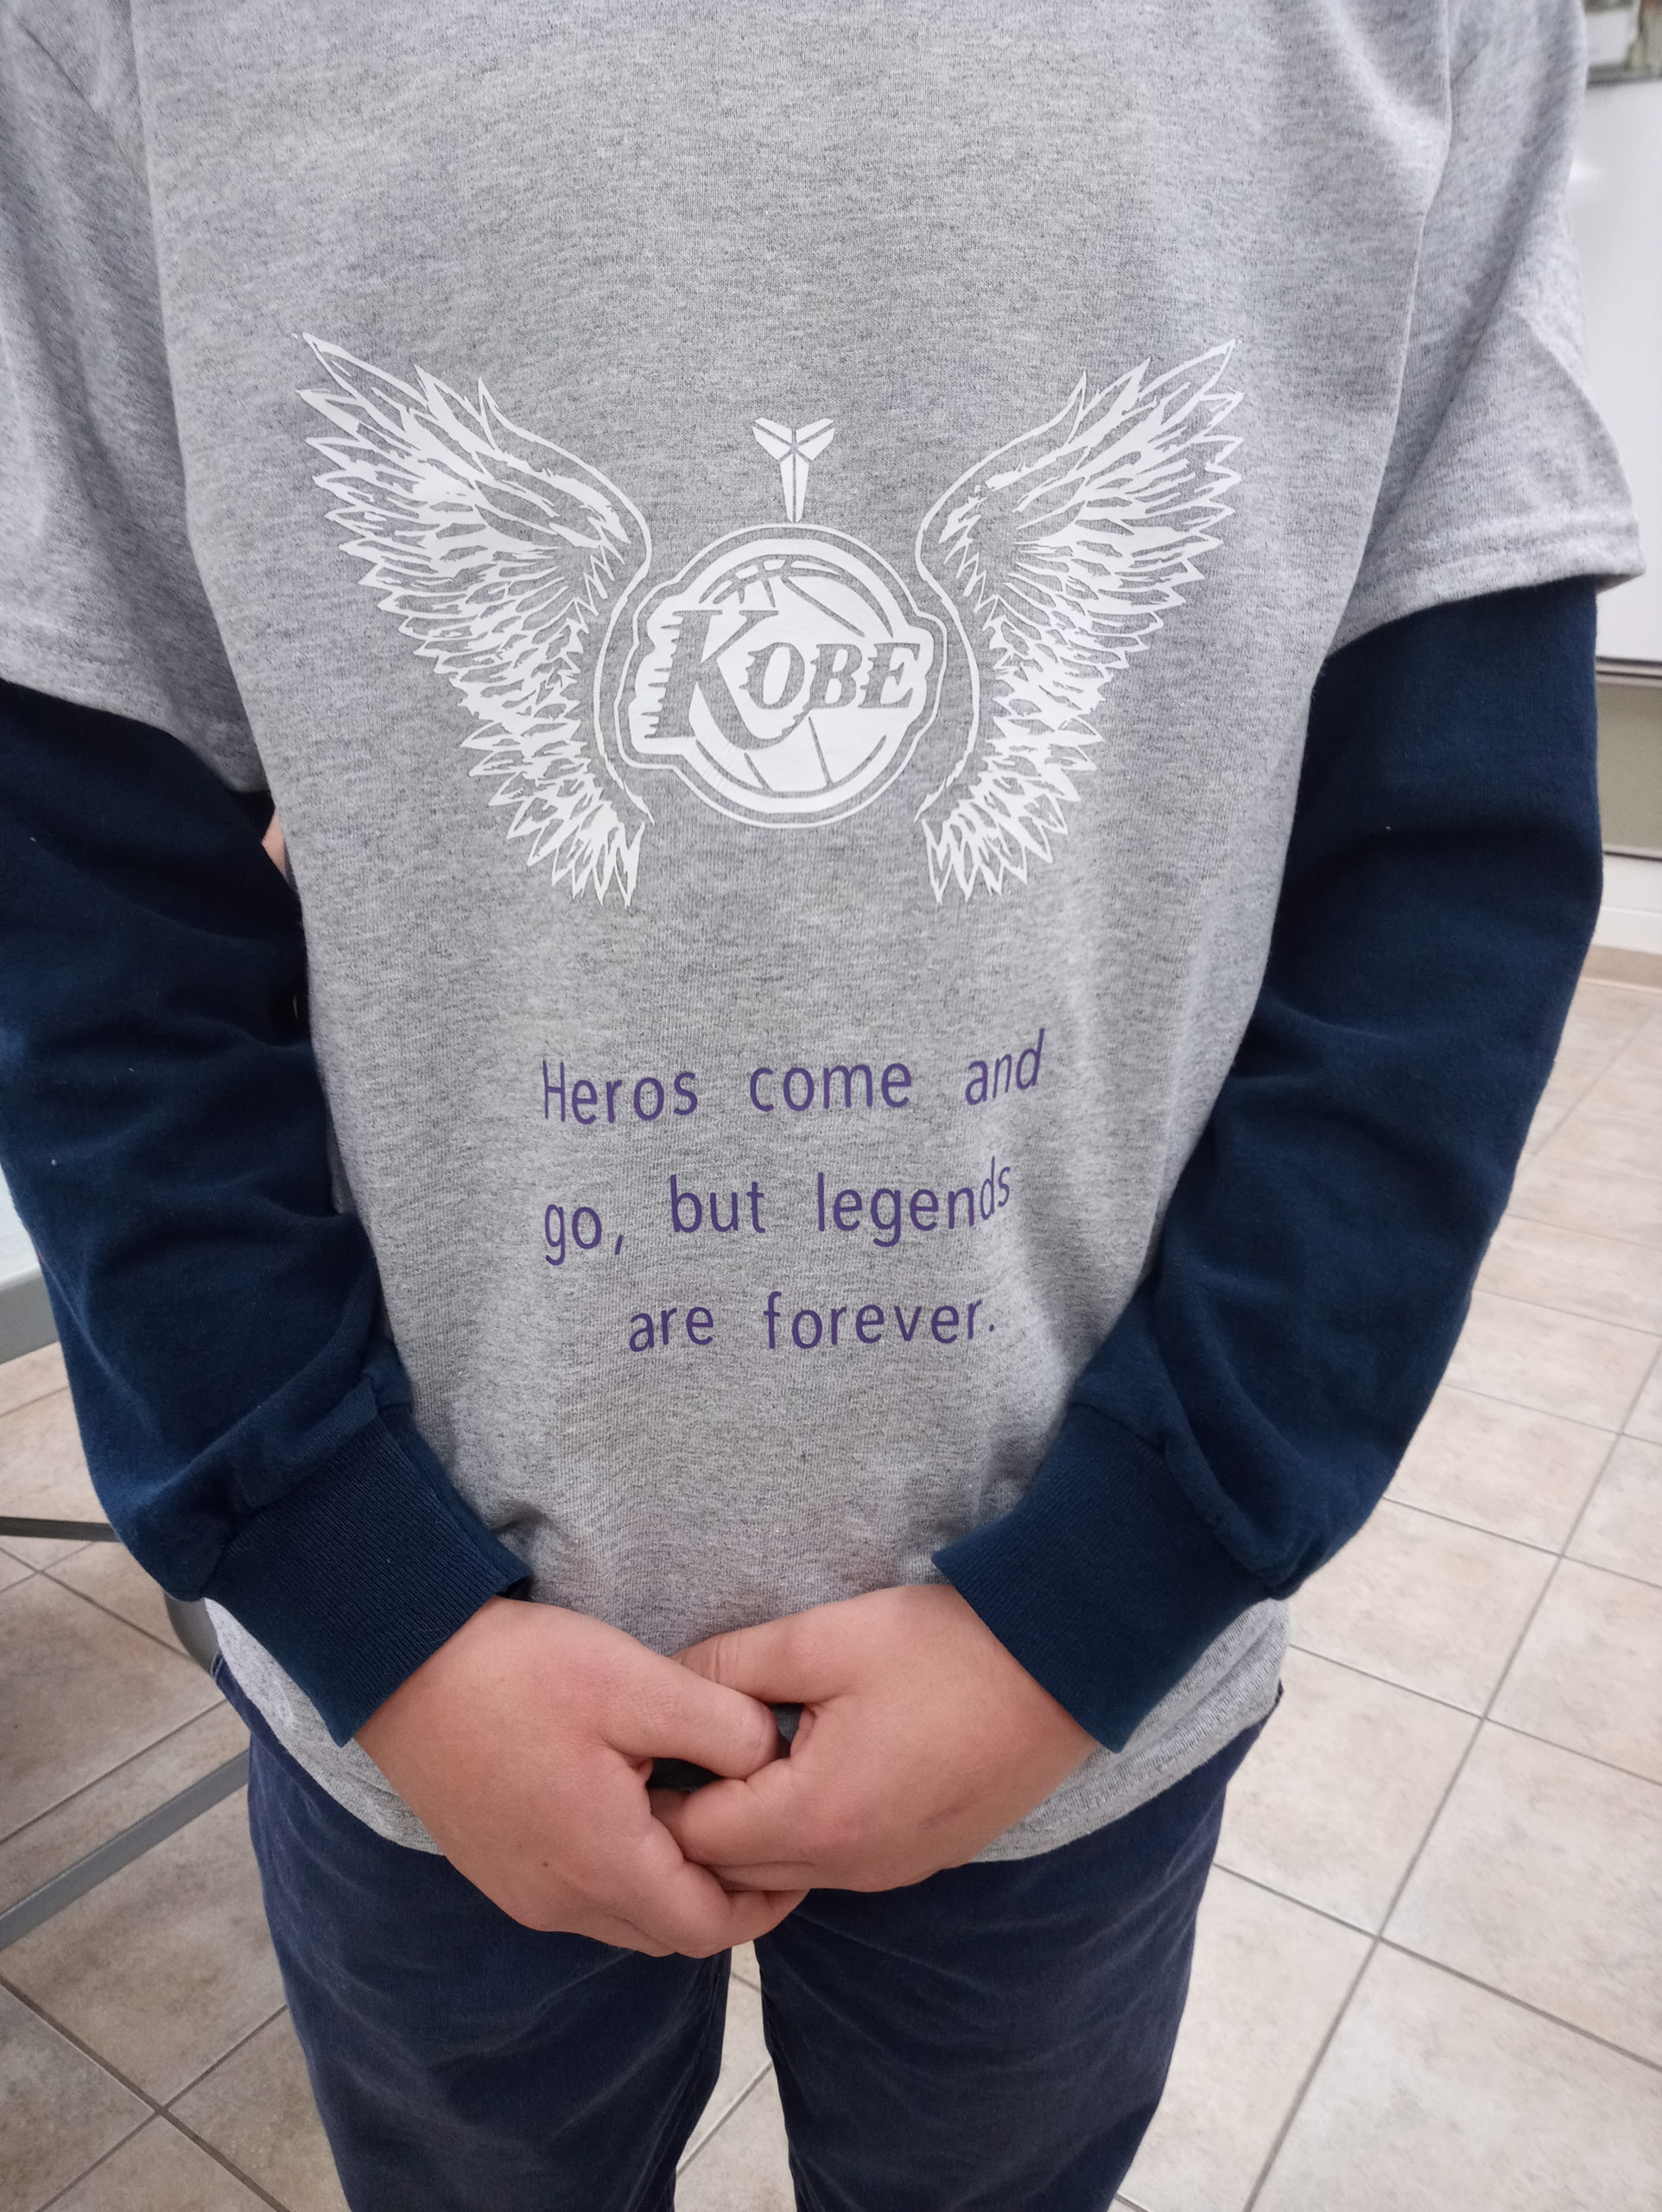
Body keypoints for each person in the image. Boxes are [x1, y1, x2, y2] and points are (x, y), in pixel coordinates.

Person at [0, 3, 1640, 2207]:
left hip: (1073, 1706)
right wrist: (365, 1599)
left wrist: (1104, 1588)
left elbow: (1441, 873)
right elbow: (76, 883)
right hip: (423, 1717)